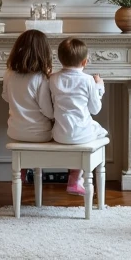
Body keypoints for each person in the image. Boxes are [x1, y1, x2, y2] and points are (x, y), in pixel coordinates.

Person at [51, 37, 108, 195]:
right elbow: (95, 109)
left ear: (59, 59)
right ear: (85, 62)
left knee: (78, 132)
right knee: (100, 131)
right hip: (81, 135)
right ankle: (76, 178)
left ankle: (74, 176)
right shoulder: (88, 80)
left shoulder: (53, 78)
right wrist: (99, 87)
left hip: (59, 135)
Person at [1, 30, 54, 143]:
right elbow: (48, 112)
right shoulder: (40, 78)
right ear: (44, 53)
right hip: (40, 133)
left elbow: (6, 97)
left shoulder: (9, 73)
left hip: (14, 131)